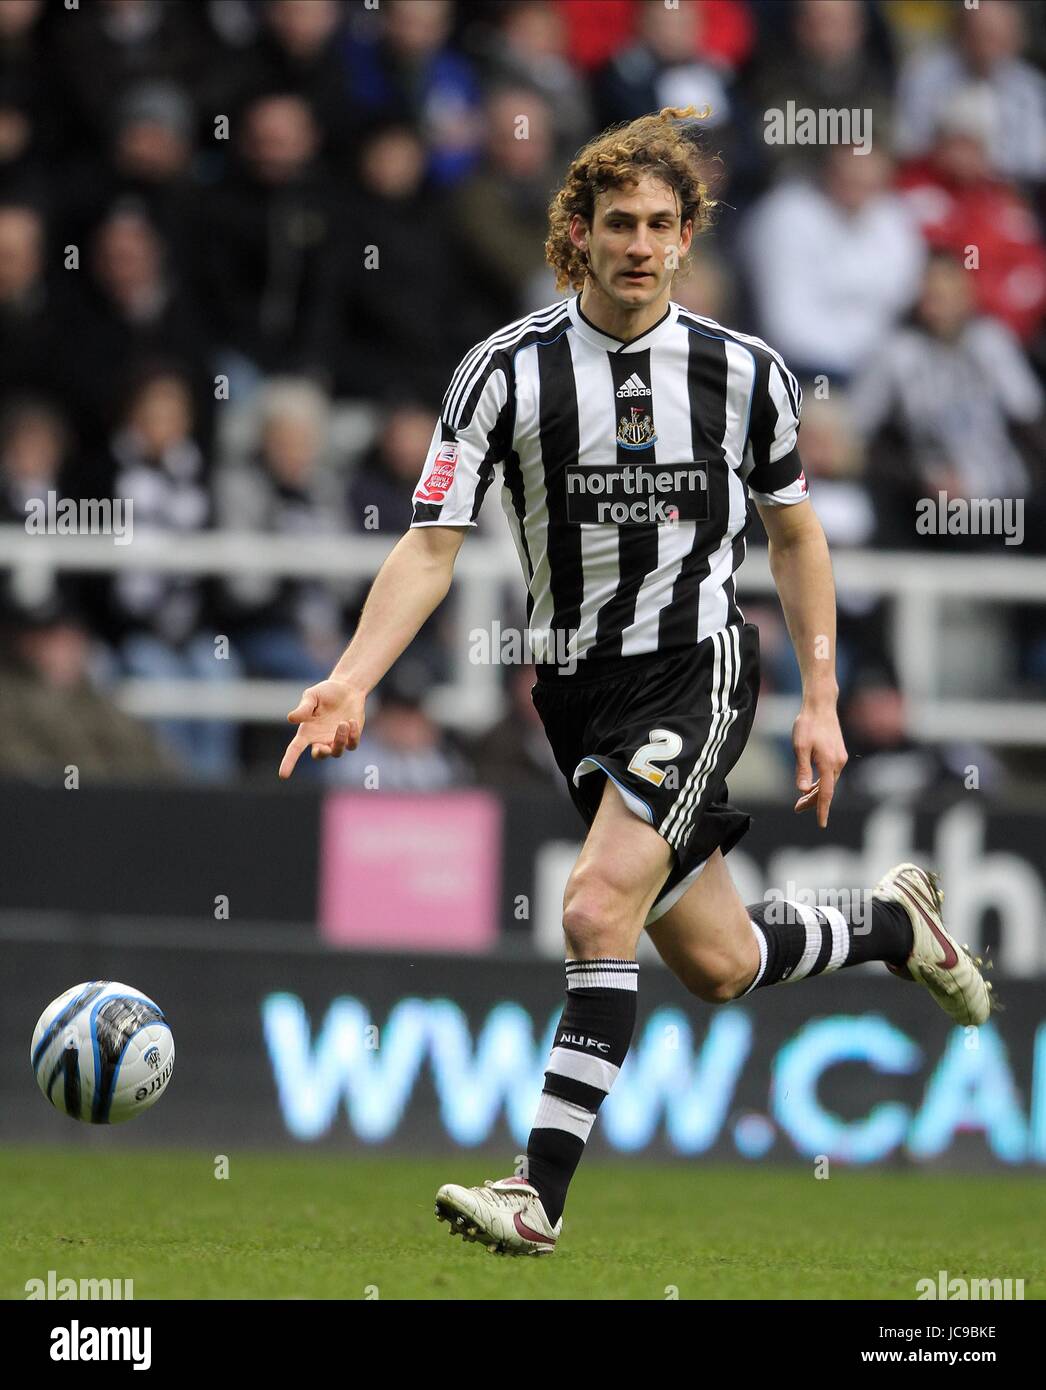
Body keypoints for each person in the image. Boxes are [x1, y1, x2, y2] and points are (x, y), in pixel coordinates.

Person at [277, 106, 993, 1256]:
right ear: (578, 233)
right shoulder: (500, 372)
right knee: (718, 963)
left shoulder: (743, 373)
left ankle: (535, 1192)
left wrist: (817, 698)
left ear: (686, 234)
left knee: (590, 905)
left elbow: (798, 537)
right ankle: (888, 926)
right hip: (572, 691)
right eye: (619, 223)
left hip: (695, 667)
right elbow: (430, 544)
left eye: (662, 224)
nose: (641, 244)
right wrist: (351, 677)